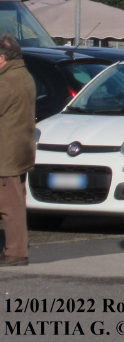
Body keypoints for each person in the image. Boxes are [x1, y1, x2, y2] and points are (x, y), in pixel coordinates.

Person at [0, 34, 35, 268]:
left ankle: (15, 251)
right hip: (20, 149)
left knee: (9, 206)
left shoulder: (6, 82)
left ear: (1, 58)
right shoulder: (24, 75)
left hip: (6, 153)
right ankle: (16, 248)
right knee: (14, 203)